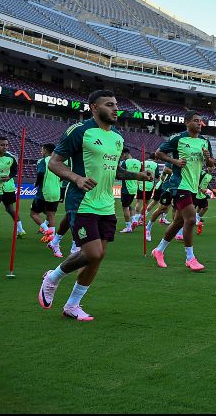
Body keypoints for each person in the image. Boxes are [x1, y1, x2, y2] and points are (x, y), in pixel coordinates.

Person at [38, 90, 152, 321]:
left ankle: (72, 305)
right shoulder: (80, 131)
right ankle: (53, 277)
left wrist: (138, 175)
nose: (114, 108)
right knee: (93, 253)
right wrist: (77, 178)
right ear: (93, 108)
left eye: (116, 104)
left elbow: (116, 171)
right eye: (109, 104)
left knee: (96, 258)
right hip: (82, 202)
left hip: (106, 205)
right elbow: (54, 162)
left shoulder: (118, 138)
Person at [150, 112, 214, 271]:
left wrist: (208, 158)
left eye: (200, 121)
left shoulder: (205, 141)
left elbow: (211, 165)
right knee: (191, 219)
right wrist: (175, 161)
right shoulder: (178, 138)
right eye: (195, 121)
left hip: (193, 186)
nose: (199, 123)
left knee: (178, 221)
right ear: (187, 122)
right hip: (179, 185)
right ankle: (190, 258)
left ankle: (159, 250)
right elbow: (158, 153)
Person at [29, 143, 64, 257]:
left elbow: (40, 173)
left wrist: (37, 184)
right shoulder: (59, 162)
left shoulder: (43, 161)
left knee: (33, 213)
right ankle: (53, 241)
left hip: (44, 192)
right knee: (51, 215)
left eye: (42, 149)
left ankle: (45, 229)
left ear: (45, 150)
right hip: (56, 191)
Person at [118, 148, 141, 233]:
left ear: (124, 154)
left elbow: (120, 174)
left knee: (125, 207)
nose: (122, 157)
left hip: (126, 188)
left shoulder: (125, 162)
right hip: (134, 188)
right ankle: (134, 220)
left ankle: (128, 227)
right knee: (129, 205)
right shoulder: (138, 162)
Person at [134, 152, 159, 227]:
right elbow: (157, 175)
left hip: (141, 185)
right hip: (150, 185)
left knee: (139, 202)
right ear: (155, 158)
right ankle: (141, 219)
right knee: (146, 203)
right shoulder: (155, 165)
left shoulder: (142, 163)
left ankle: (135, 219)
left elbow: (139, 173)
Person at [194, 167, 213, 234]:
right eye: (211, 166)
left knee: (205, 207)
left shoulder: (210, 176)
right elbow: (196, 181)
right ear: (208, 167)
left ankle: (197, 218)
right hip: (196, 193)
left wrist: (212, 190)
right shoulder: (202, 173)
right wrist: (201, 190)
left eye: (213, 166)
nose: (212, 168)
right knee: (192, 209)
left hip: (202, 195)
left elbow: (207, 184)